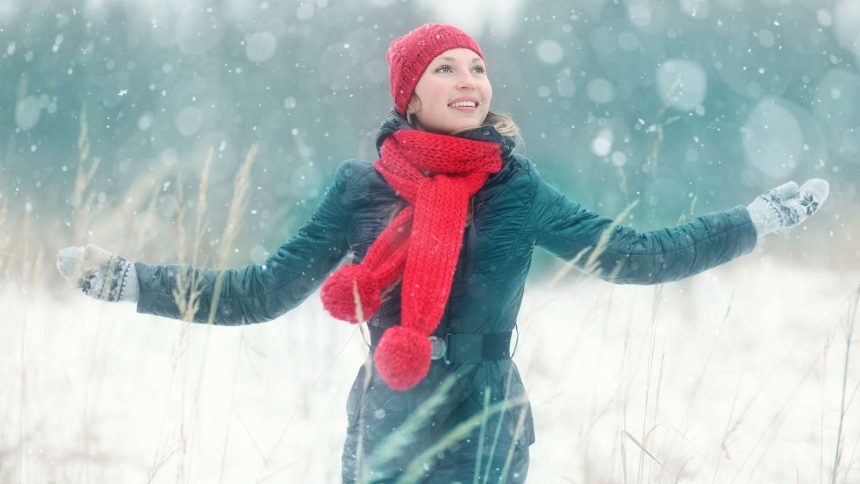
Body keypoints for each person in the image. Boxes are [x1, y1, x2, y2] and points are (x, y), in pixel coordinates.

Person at [57, 23, 829, 484]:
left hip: (489, 421)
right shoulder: (360, 189)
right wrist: (131, 281)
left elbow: (633, 256)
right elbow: (262, 292)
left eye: (477, 66)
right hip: (389, 420)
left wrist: (753, 220)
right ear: (411, 95)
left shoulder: (517, 189)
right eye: (444, 68)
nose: (469, 78)